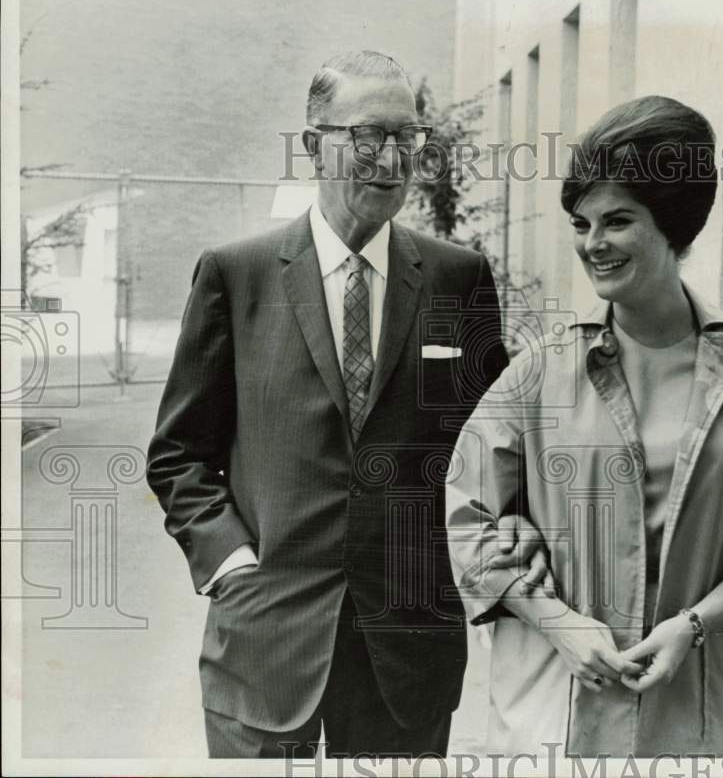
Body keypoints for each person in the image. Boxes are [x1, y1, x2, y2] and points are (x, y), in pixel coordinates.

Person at [146, 50, 511, 758]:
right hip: (264, 638)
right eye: (369, 135)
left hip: (406, 640)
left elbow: (491, 452)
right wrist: (229, 566)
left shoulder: (457, 280)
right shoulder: (237, 275)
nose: (392, 157)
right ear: (315, 145)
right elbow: (179, 454)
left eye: (408, 137)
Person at [446, 95, 723, 758]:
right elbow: (467, 514)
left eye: (618, 220)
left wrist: (692, 626)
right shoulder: (539, 372)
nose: (593, 243)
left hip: (705, 708)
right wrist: (561, 624)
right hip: (558, 705)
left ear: (673, 226)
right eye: (582, 222)